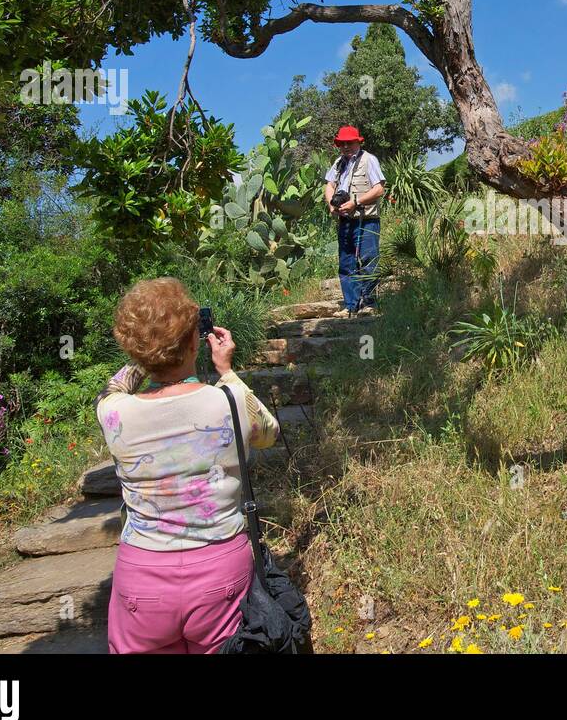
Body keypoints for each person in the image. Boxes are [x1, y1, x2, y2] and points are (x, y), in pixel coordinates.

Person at [96, 277, 280, 654]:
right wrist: (226, 370)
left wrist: (146, 358)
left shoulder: (113, 412)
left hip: (143, 577)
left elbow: (113, 388)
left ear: (133, 348)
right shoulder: (229, 401)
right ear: (195, 340)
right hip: (221, 570)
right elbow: (268, 433)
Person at [323, 125, 385, 317]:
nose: (346, 147)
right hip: (345, 221)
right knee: (346, 262)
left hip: (366, 219)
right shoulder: (338, 163)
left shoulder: (369, 160)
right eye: (342, 143)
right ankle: (350, 305)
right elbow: (329, 185)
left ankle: (369, 304)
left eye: (349, 142)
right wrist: (331, 205)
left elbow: (379, 189)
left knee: (368, 259)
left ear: (358, 142)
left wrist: (355, 202)